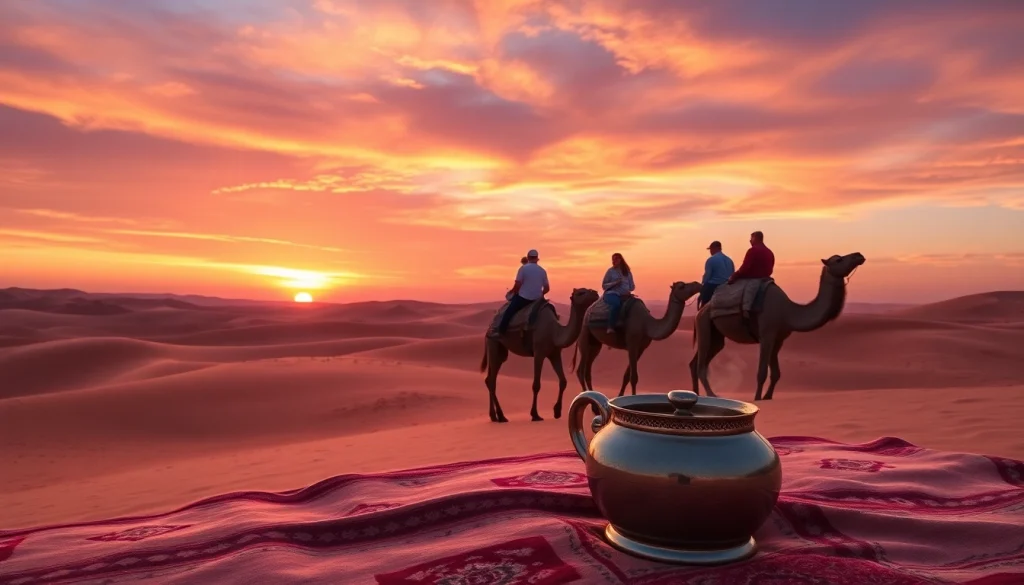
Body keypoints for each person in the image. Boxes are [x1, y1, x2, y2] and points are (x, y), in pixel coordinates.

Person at [496, 249, 550, 335]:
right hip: (537, 300)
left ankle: (501, 332)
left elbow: (517, 285)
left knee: (508, 312)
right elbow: (547, 288)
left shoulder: (523, 269)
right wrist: (540, 294)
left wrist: (513, 292)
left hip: (524, 298)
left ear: (528, 258)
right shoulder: (542, 271)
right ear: (537, 259)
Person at [601, 252, 635, 334]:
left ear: (620, 260)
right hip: (612, 293)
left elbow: (632, 287)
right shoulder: (610, 271)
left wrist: (628, 290)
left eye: (616, 259)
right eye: (613, 259)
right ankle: (610, 326)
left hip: (625, 295)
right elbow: (604, 286)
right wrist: (615, 283)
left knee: (637, 305)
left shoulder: (627, 272)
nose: (614, 261)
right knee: (616, 305)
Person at [698, 241, 735, 308]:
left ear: (714, 248)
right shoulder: (729, 260)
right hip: (728, 285)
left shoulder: (711, 260)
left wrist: (702, 285)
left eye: (711, 249)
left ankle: (703, 311)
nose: (710, 251)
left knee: (704, 304)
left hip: (714, 285)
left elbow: (707, 276)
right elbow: (732, 274)